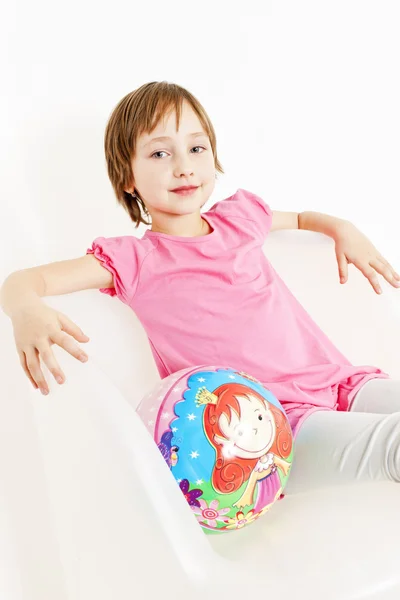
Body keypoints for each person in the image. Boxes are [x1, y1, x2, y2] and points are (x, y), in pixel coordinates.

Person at [1, 81, 400, 495]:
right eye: (160, 153)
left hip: (340, 385)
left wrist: (342, 227)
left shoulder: (241, 219)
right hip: (268, 433)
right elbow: (24, 281)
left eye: (196, 148)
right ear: (128, 178)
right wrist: (25, 308)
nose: (184, 166)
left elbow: (300, 219)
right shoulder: (134, 260)